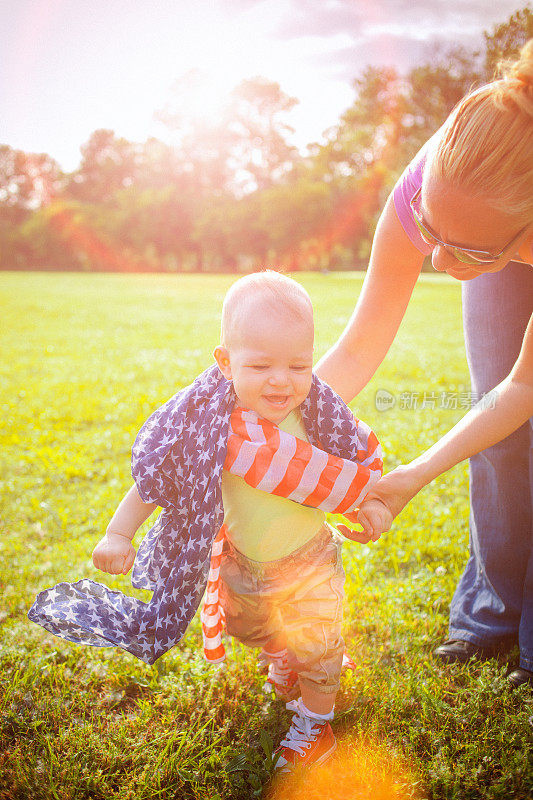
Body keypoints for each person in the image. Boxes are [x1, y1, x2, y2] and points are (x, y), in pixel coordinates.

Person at [32, 270, 382, 773]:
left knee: (319, 643)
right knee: (253, 627)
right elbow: (154, 482)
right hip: (242, 562)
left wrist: (369, 506)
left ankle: (315, 722)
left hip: (310, 561)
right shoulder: (207, 429)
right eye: (260, 365)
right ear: (225, 362)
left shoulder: (320, 417)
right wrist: (118, 532)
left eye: (298, 364)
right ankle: (284, 656)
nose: (281, 380)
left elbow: (354, 470)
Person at [316, 40, 533, 687]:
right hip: (486, 224)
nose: (437, 264)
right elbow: (358, 345)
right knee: (496, 434)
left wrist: (415, 472)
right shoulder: (432, 185)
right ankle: (492, 611)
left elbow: (525, 385)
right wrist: (259, 416)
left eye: (457, 249)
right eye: (429, 233)